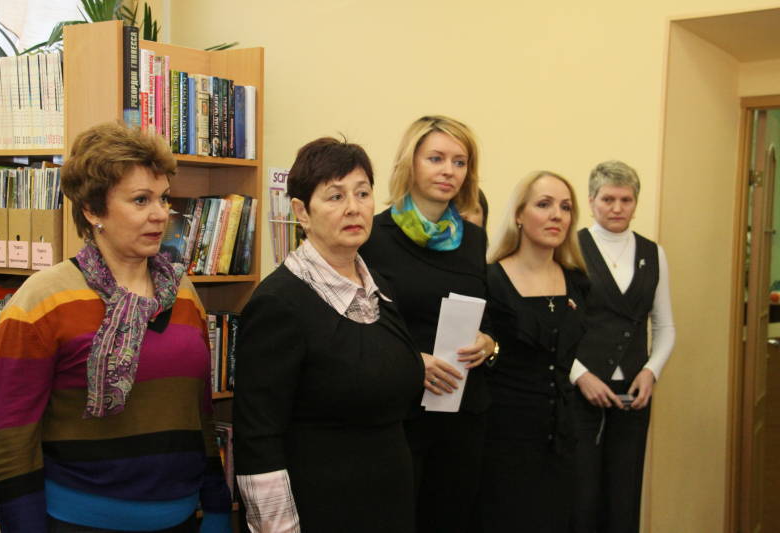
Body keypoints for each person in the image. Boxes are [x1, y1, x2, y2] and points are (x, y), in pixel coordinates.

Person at [0, 122, 232, 532]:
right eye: (140, 200)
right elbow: (12, 441)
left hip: (183, 519)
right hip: (78, 523)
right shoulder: (41, 301)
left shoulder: (184, 293)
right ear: (92, 209)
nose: (160, 214)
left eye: (163, 198)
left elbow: (198, 413)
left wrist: (217, 508)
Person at [233, 137, 423, 533]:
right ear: (301, 211)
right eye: (335, 196)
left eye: (362, 193)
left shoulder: (381, 290)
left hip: (391, 504)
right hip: (320, 510)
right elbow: (258, 436)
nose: (354, 207)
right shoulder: (279, 303)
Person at [360, 115, 495, 533]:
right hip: (400, 414)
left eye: (459, 161)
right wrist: (411, 361)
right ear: (411, 163)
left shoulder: (474, 239)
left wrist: (489, 342)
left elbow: (487, 314)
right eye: (436, 158)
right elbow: (360, 328)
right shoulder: (373, 235)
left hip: (462, 415)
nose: (448, 170)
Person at [481, 171, 589, 533]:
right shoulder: (490, 280)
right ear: (518, 214)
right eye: (544, 204)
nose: (557, 215)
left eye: (565, 207)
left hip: (562, 439)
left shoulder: (578, 282)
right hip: (503, 440)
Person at [570, 160, 675, 533]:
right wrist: (580, 376)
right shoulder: (571, 248)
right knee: (581, 496)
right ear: (591, 200)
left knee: (624, 494)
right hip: (581, 389)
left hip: (633, 392)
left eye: (626, 200)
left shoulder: (653, 253)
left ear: (635, 202)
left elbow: (664, 325)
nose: (617, 208)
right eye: (608, 199)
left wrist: (651, 371)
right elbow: (559, 326)